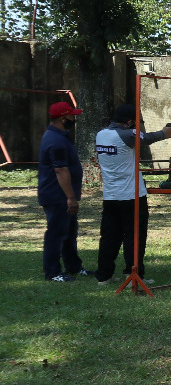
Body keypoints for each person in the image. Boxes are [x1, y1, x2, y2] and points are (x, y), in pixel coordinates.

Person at [94, 104, 171, 285]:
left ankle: (104, 276)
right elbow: (147, 137)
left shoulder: (101, 134)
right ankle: (134, 275)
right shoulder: (127, 135)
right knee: (135, 237)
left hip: (110, 196)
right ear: (130, 122)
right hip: (132, 196)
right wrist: (165, 132)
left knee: (109, 237)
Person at [37, 101, 87, 281]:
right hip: (57, 196)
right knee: (56, 233)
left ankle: (73, 266)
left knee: (69, 232)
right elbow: (60, 171)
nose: (74, 118)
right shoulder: (55, 140)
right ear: (62, 118)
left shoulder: (60, 136)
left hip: (62, 195)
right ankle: (53, 272)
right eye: (71, 115)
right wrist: (71, 198)